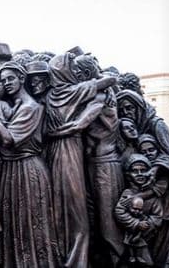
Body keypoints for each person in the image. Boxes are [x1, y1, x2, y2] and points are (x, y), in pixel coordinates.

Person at [45, 52, 116, 267]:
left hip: (56, 152)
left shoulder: (50, 96)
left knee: (62, 204)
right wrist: (107, 87)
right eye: (71, 69)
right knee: (77, 209)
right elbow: (111, 79)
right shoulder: (75, 92)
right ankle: (77, 259)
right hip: (70, 150)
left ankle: (67, 255)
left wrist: (54, 133)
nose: (74, 73)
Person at [0, 62, 58, 267]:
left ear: (21, 78)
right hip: (12, 170)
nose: (6, 83)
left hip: (27, 170)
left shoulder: (31, 108)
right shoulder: (14, 106)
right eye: (2, 80)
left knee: (30, 223)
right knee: (13, 223)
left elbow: (8, 140)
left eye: (10, 78)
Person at [135, 134, 169, 267]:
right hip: (155, 215)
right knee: (157, 248)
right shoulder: (144, 166)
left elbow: (158, 189)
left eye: (151, 150)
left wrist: (138, 197)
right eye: (144, 151)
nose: (148, 153)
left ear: (157, 149)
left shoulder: (163, 167)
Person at [114, 154, 163, 266]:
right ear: (128, 175)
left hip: (148, 236)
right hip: (131, 237)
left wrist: (147, 226)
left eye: (143, 170)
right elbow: (119, 211)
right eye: (135, 171)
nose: (140, 174)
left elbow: (158, 216)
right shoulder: (128, 194)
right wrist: (136, 223)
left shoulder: (153, 196)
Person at [117, 89, 169, 170]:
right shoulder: (125, 126)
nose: (125, 113)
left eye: (129, 108)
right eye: (121, 110)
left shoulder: (157, 125)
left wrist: (155, 169)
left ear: (139, 107)